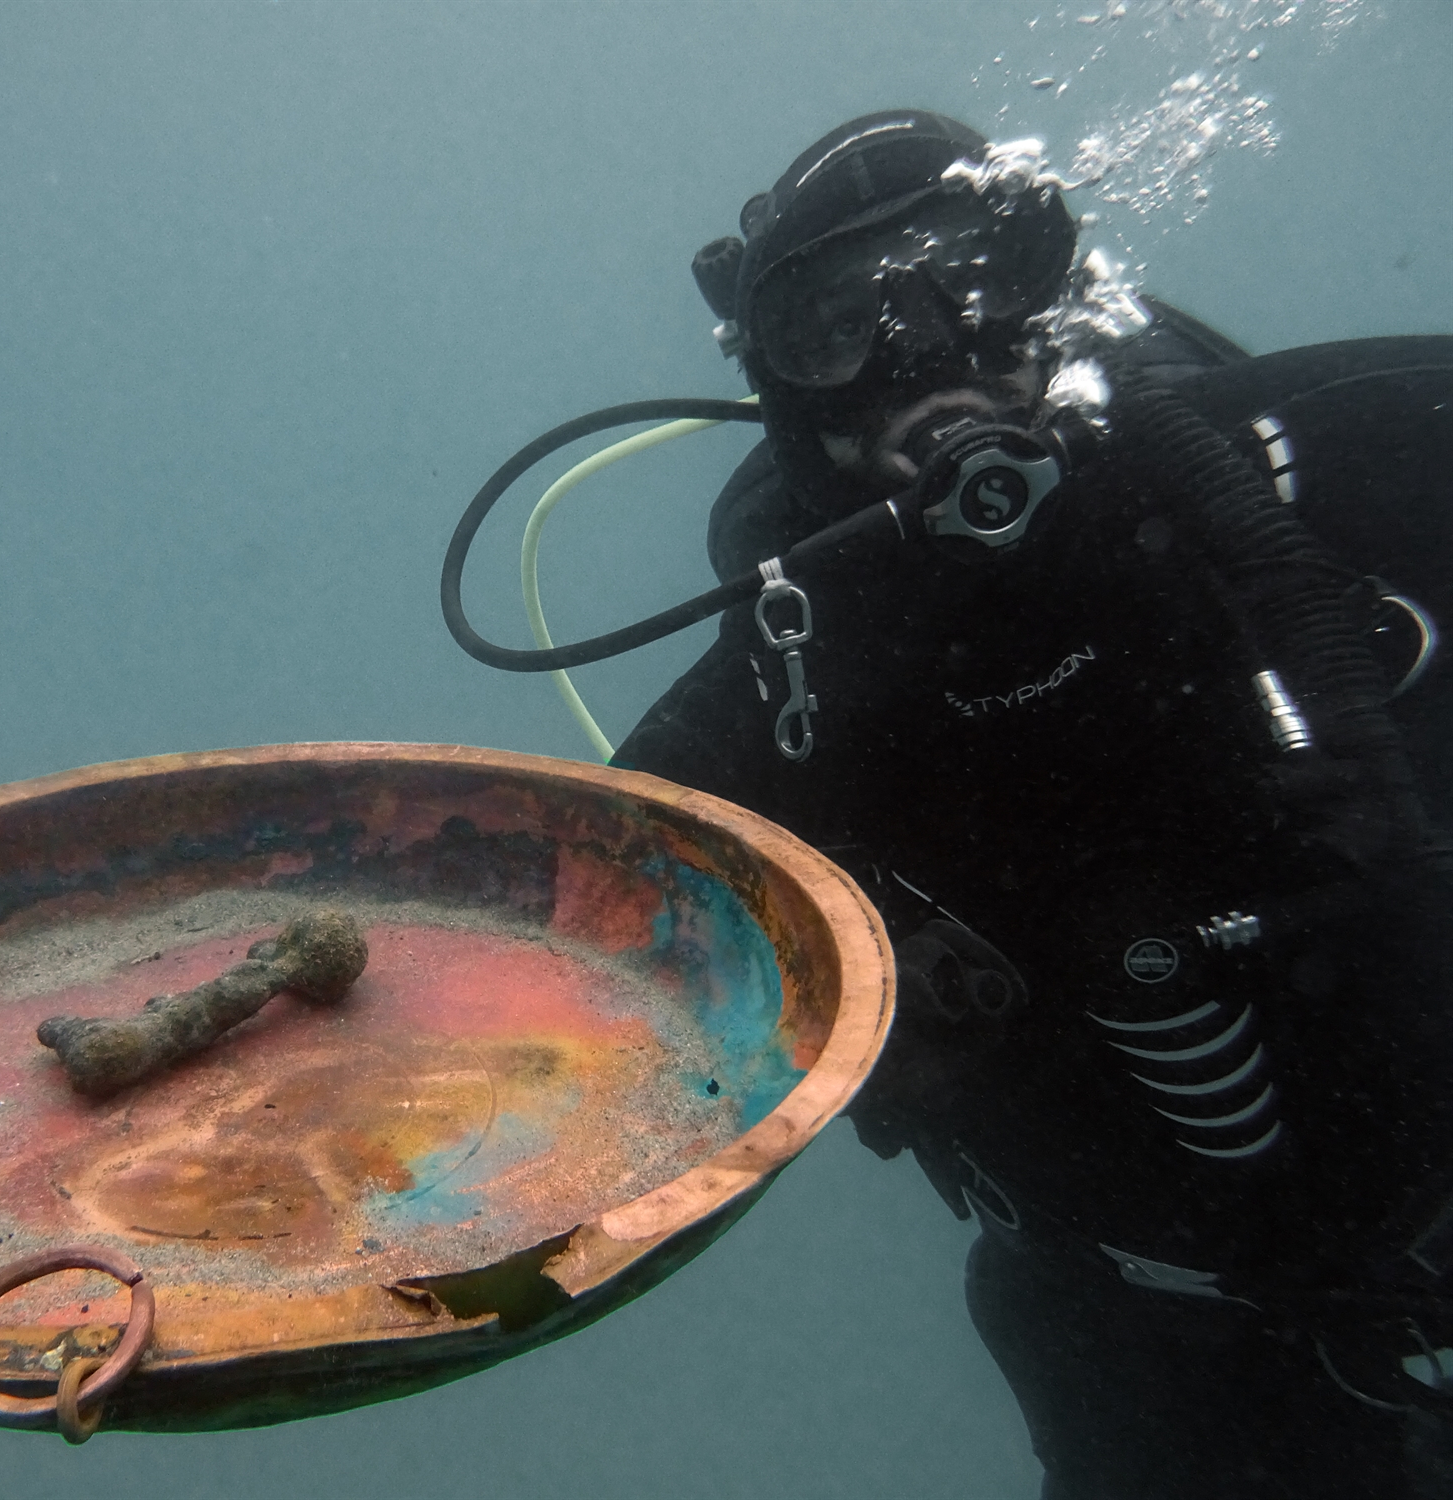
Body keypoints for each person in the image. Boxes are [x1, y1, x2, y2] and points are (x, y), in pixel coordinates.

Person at [608, 111, 1453, 1496]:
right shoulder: (787, 679)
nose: (927, 352)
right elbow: (565, 933)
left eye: (979, 276)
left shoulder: (1319, 472)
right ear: (783, 386)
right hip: (1147, 1332)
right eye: (839, 325)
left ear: (1053, 281)